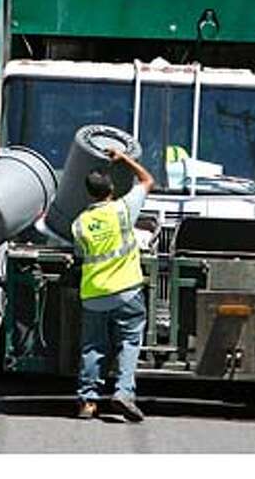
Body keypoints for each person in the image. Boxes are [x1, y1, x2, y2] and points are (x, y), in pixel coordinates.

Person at [71, 149, 154, 422]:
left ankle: (88, 403)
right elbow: (147, 180)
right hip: (126, 292)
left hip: (93, 294)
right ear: (112, 188)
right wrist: (124, 159)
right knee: (129, 341)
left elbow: (81, 254)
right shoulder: (122, 210)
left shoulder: (79, 224)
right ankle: (123, 392)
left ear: (88, 193)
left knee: (92, 347)